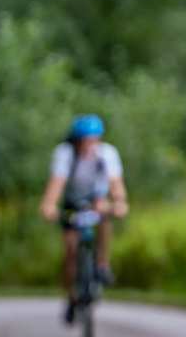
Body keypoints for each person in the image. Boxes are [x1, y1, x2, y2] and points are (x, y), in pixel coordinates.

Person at [39, 115, 129, 323]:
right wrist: (49, 205)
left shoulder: (107, 153)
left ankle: (102, 264)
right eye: (85, 140)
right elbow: (56, 183)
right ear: (76, 140)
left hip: (97, 198)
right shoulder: (65, 153)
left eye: (94, 140)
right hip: (72, 202)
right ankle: (71, 296)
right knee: (70, 250)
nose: (90, 145)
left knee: (104, 218)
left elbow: (116, 183)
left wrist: (120, 202)